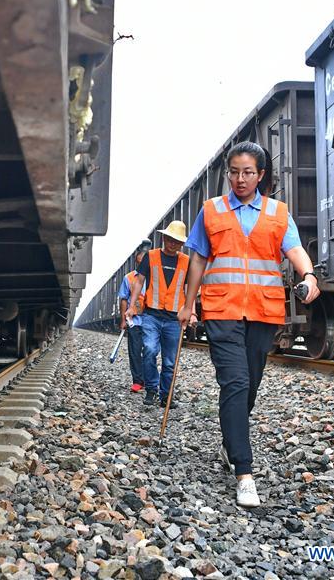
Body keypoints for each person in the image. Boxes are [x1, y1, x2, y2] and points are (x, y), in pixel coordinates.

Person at [177, 141, 320, 508]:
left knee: (249, 385)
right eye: (235, 172)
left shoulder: (277, 212)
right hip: (222, 310)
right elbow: (197, 260)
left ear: (261, 175)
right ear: (228, 174)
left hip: (262, 312)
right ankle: (244, 471)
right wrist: (188, 305)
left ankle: (230, 440)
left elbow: (294, 249)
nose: (240, 179)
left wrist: (309, 274)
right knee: (236, 381)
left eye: (248, 173)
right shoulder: (211, 210)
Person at [125, 221, 197, 407]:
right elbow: (139, 282)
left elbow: (190, 289)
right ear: (164, 238)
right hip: (152, 315)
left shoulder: (186, 261)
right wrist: (132, 306)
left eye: (177, 241)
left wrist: (193, 312)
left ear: (182, 243)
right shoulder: (151, 256)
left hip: (174, 318)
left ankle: (166, 395)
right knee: (149, 350)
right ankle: (151, 389)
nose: (173, 244)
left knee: (170, 361)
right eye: (170, 239)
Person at [117, 239, 152, 393]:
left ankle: (150, 380)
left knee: (150, 350)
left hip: (151, 319)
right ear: (137, 259)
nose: (143, 260)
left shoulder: (154, 277)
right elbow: (123, 298)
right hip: (134, 321)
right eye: (141, 257)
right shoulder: (129, 278)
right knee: (135, 351)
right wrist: (123, 320)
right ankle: (138, 381)